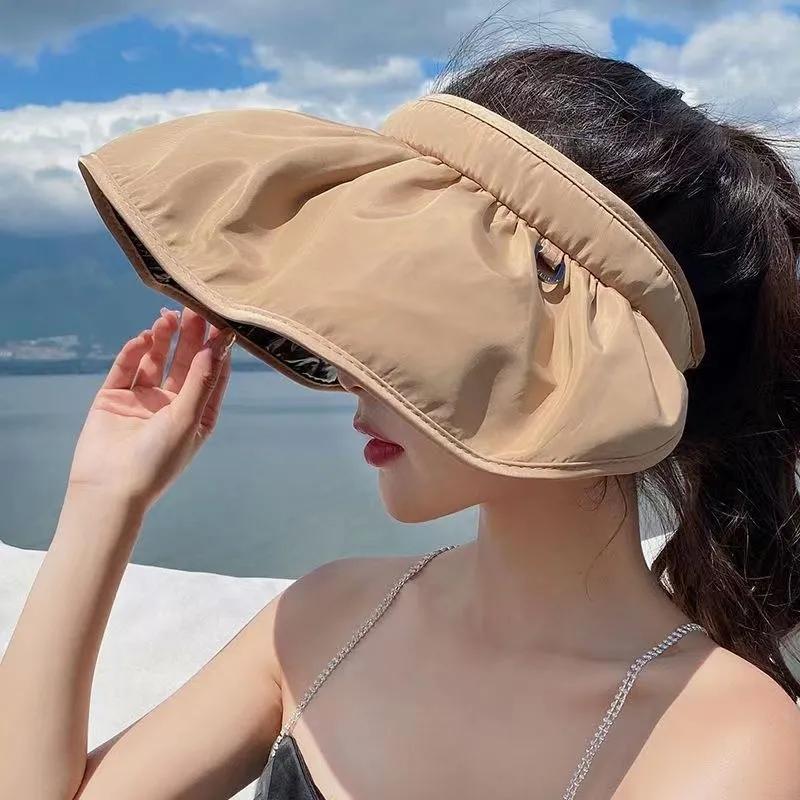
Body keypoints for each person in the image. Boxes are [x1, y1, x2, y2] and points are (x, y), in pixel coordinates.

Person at [3, 43, 800, 800]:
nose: (357, 369)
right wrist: (104, 496)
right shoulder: (329, 616)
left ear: (589, 357)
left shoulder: (732, 743)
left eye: (423, 320)